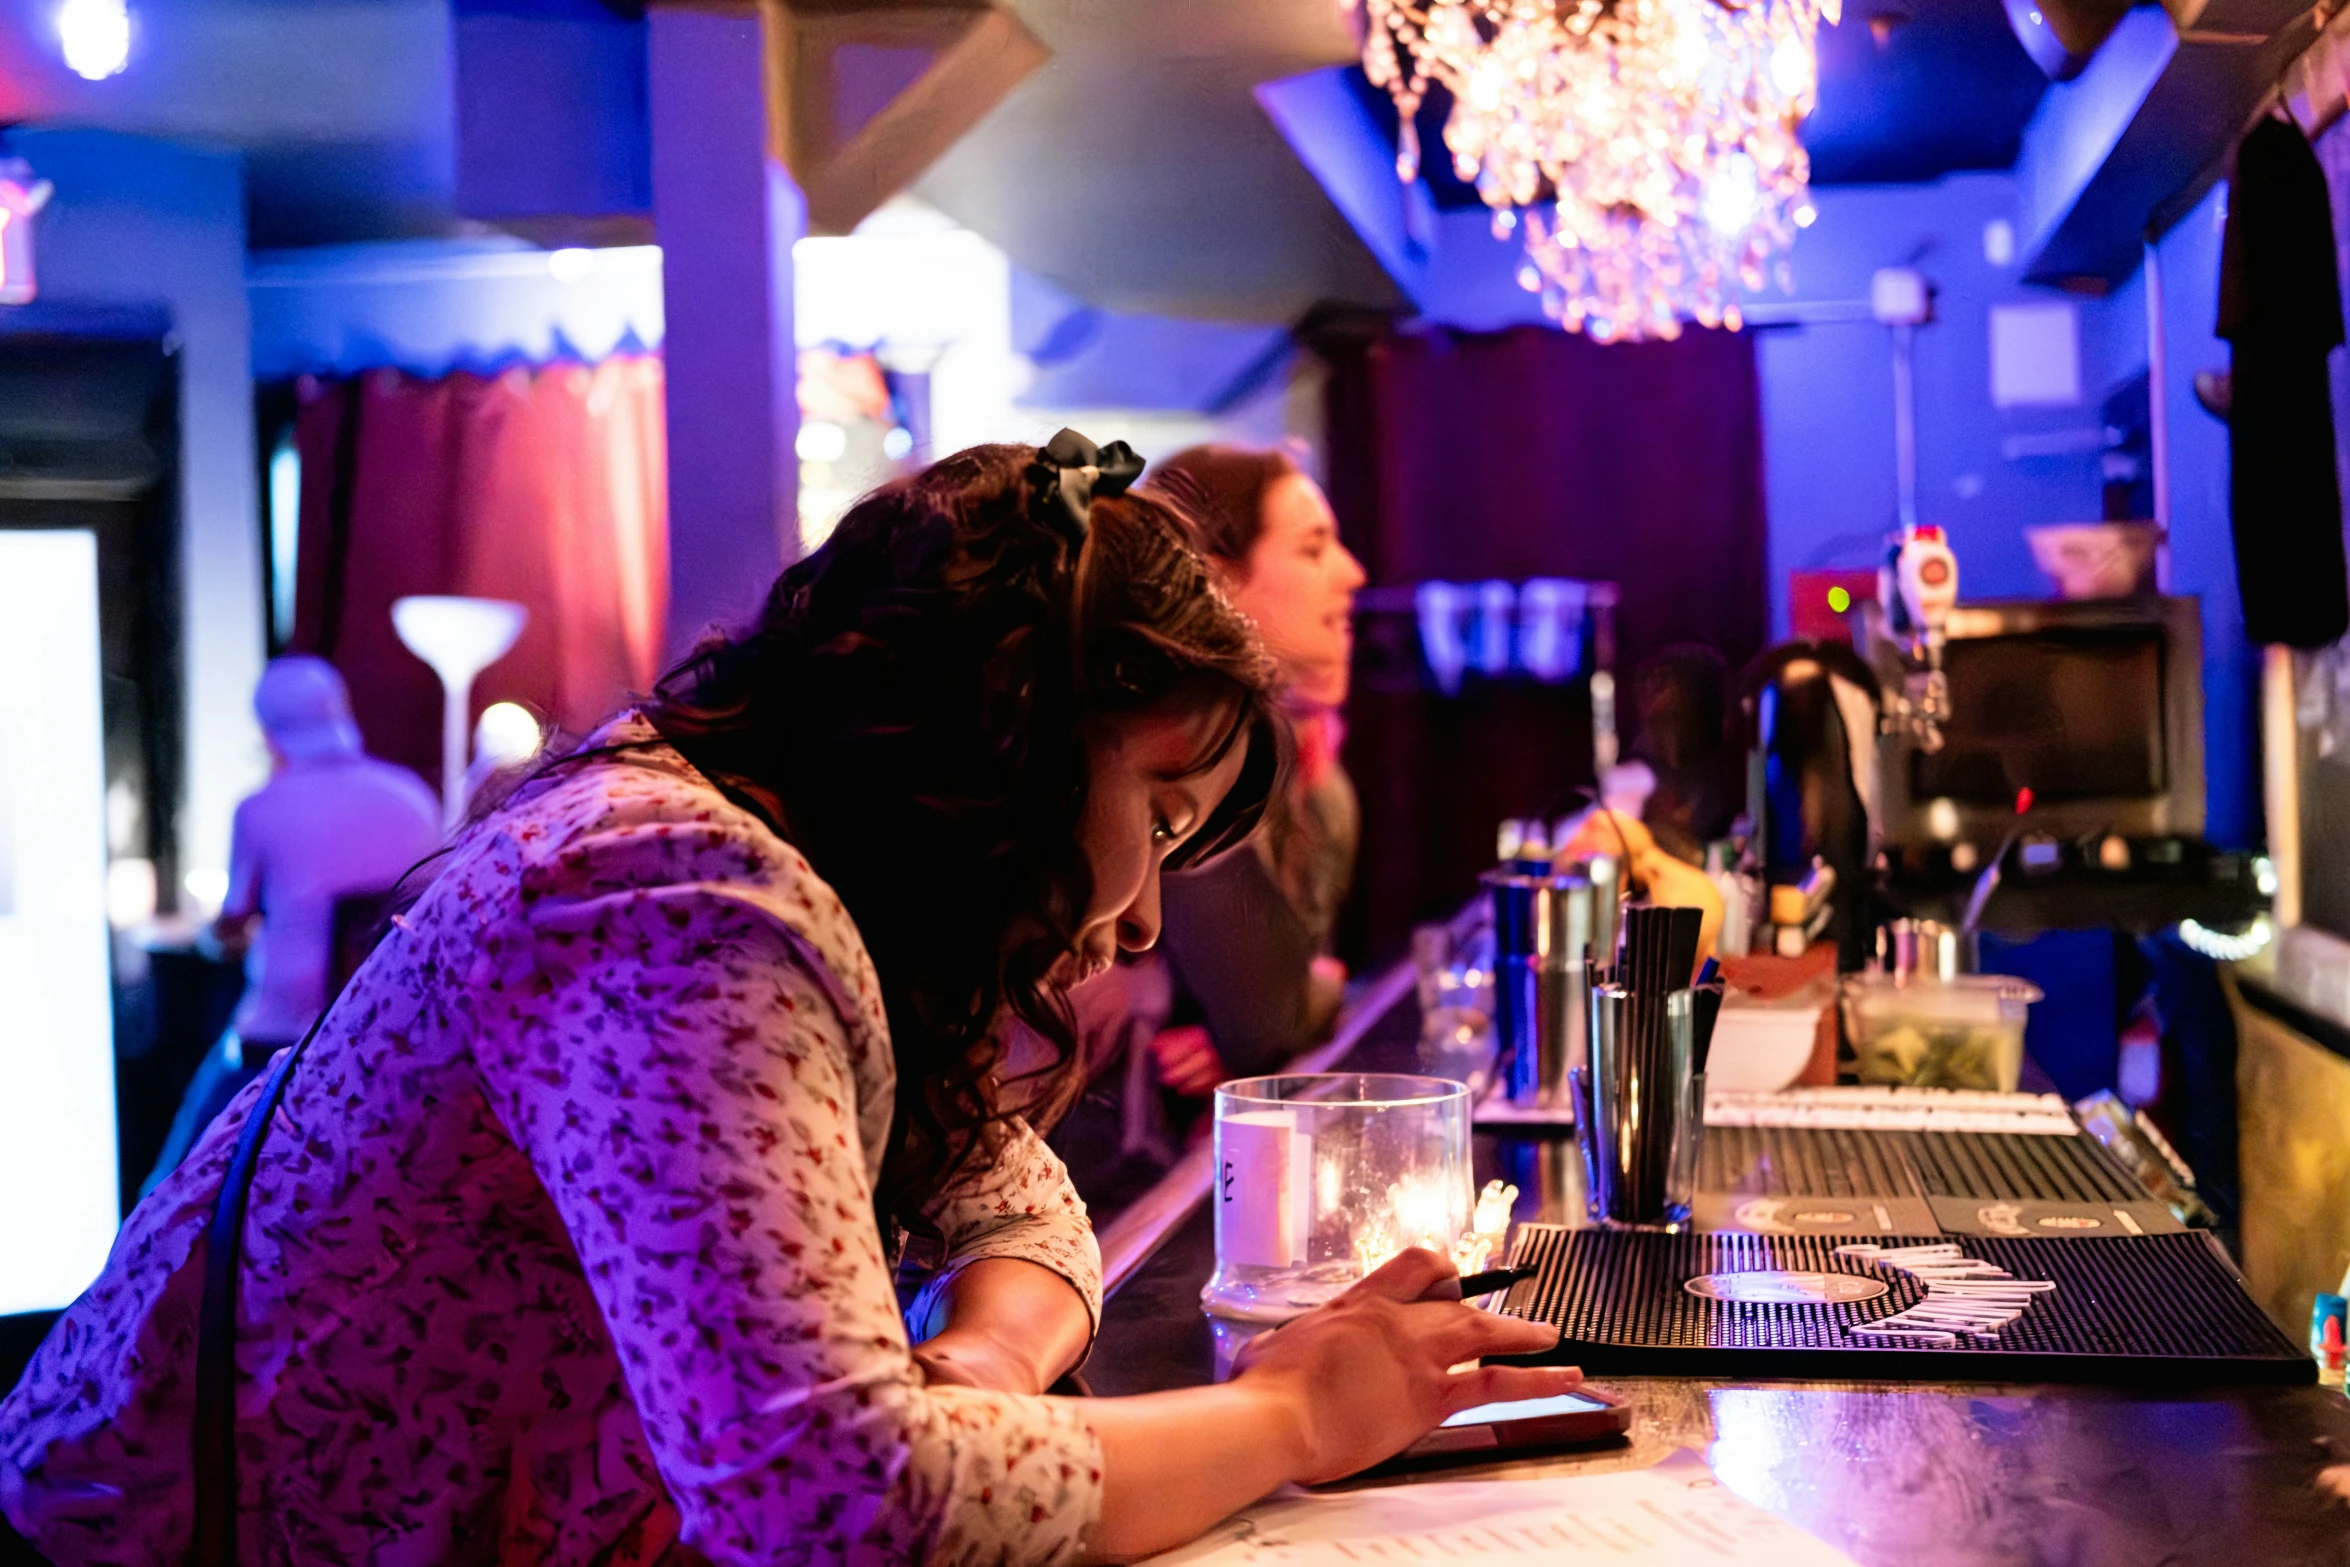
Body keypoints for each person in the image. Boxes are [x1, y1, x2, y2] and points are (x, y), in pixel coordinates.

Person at [0, 437, 1576, 1565]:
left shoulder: (798, 877)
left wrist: (978, 1380)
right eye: (1155, 816)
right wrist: (1297, 1415)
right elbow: (831, 1500)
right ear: (1008, 741)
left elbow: (1016, 1195)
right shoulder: (674, 901)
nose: (1147, 907)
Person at [140, 654, 441, 1194]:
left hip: (283, 1041)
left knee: (169, 1184)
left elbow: (230, 933)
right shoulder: (413, 798)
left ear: (270, 733)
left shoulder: (261, 809)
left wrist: (210, 934)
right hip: (394, 1034)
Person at [1131, 443, 1368, 1097]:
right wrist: (1320, 992)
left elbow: (1276, 1028)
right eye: (1314, 548)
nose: (1352, 573)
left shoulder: (1314, 768)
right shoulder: (1182, 755)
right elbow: (1271, 1023)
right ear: (1217, 583)